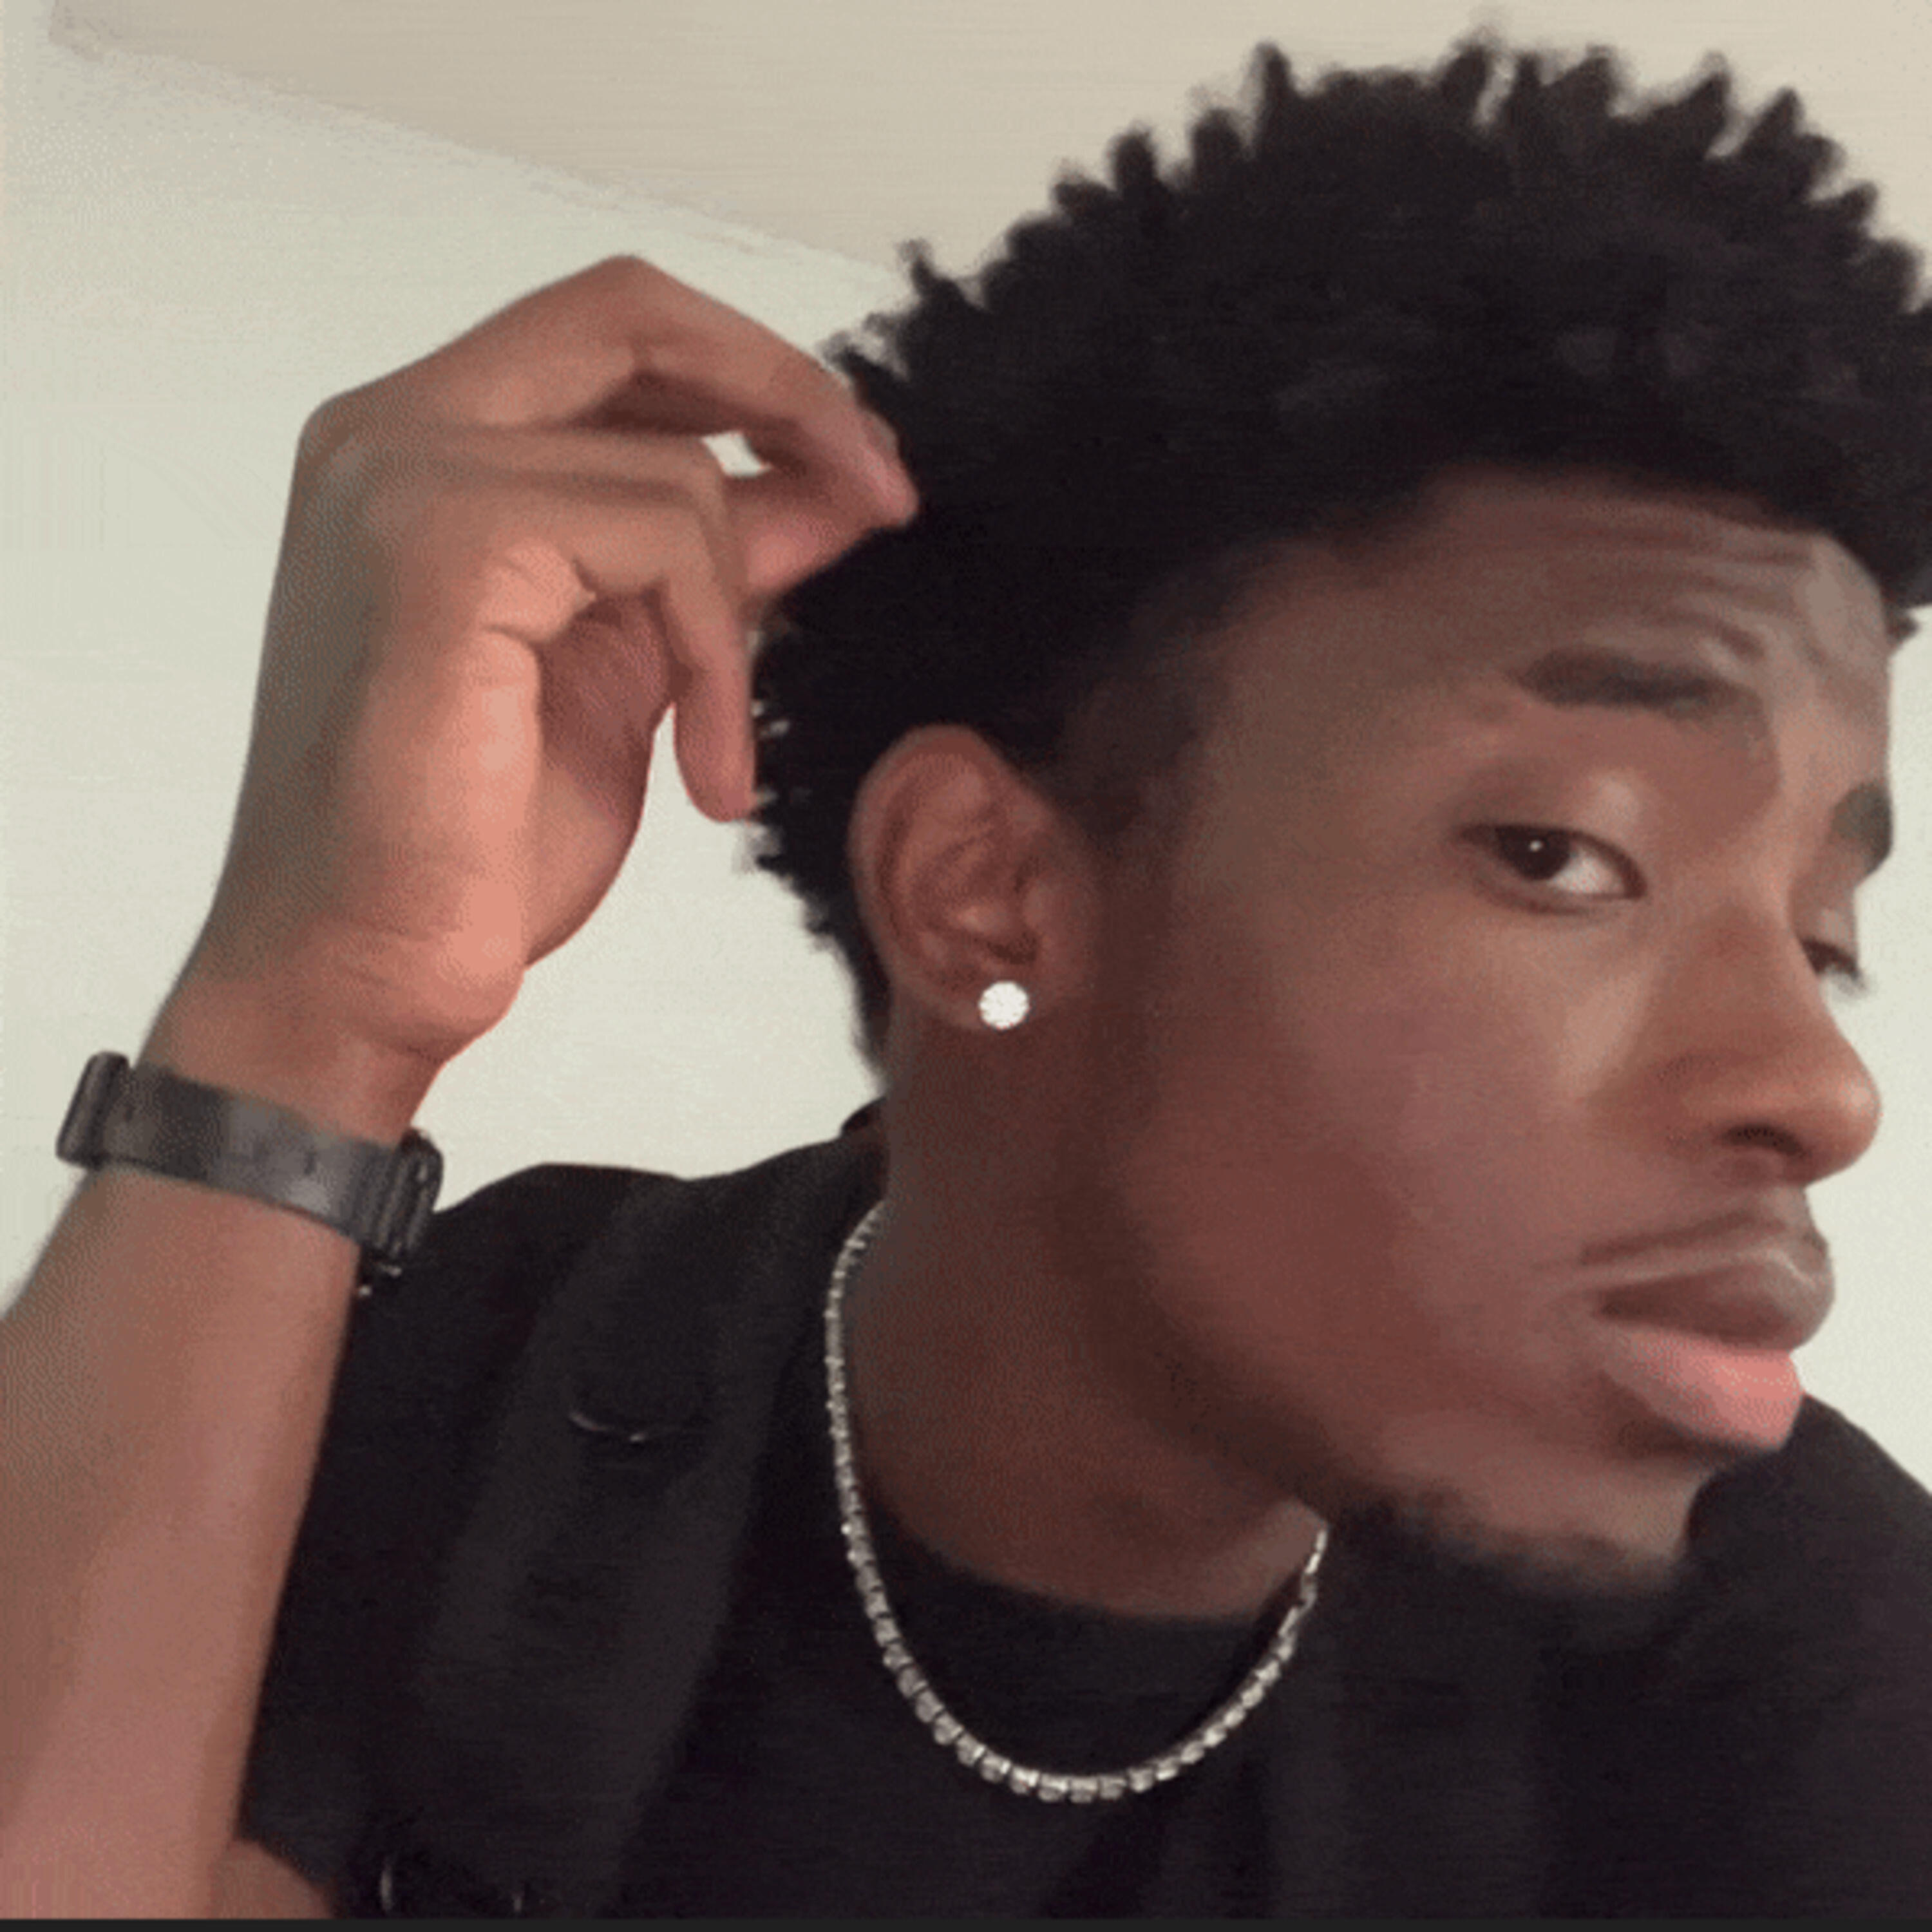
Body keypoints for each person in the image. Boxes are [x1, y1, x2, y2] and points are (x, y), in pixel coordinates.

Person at [5, 33, 1932, 1918]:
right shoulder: (493, 1380)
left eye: (1819, 938)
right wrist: (312, 1003)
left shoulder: (1796, 1634)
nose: (1820, 1089)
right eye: (1562, 855)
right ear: (988, 893)